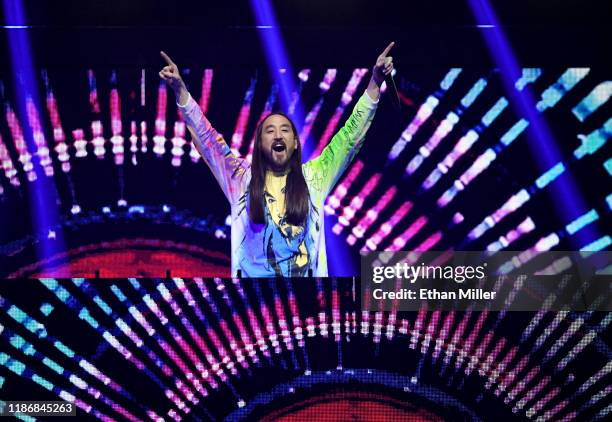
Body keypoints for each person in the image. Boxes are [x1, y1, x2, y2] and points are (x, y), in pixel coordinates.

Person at [159, 43, 394, 277]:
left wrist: (374, 83)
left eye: (285, 130)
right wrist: (181, 91)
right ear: (260, 144)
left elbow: (350, 138)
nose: (278, 134)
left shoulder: (314, 177)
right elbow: (207, 140)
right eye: (270, 131)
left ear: (294, 144)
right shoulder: (241, 179)